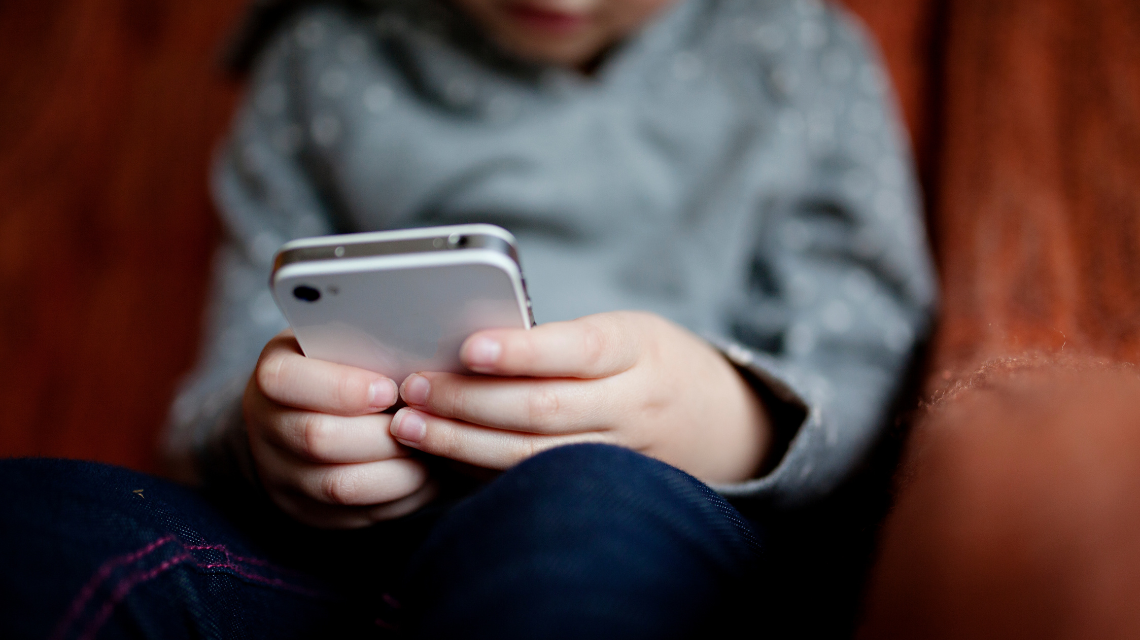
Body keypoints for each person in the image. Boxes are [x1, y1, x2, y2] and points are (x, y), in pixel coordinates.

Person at [0, 0, 935, 637]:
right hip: (329, 570)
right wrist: (268, 433)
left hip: (642, 537)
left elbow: (874, 360)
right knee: (34, 518)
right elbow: (220, 382)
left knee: (582, 511)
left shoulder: (800, 53)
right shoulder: (325, 57)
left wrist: (727, 416)